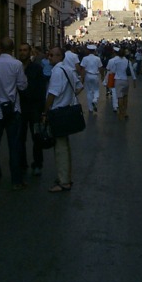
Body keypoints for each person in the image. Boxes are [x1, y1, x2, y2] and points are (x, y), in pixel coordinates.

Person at [0, 37, 28, 190]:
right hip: (13, 109)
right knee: (14, 146)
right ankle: (16, 180)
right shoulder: (17, 64)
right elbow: (22, 86)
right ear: (13, 48)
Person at [42, 47, 83, 193]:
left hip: (58, 112)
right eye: (50, 55)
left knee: (60, 148)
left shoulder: (57, 71)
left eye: (53, 55)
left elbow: (52, 94)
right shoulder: (69, 69)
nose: (50, 57)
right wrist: (69, 97)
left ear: (61, 56)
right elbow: (79, 86)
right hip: (67, 110)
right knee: (64, 145)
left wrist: (45, 111)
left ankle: (64, 181)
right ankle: (65, 176)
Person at [18, 43, 46, 175]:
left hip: (34, 108)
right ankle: (22, 163)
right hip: (20, 109)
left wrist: (42, 110)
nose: (22, 52)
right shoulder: (16, 67)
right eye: (21, 50)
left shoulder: (36, 68)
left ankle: (37, 163)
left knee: (37, 137)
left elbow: (41, 89)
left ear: (30, 52)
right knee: (20, 137)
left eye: (25, 50)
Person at [109, 46, 136, 120]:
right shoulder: (127, 61)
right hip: (125, 80)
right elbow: (132, 71)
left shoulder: (115, 61)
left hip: (118, 80)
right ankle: (125, 112)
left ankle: (120, 112)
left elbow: (113, 71)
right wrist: (134, 80)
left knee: (119, 97)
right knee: (125, 96)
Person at [80, 44, 104, 113]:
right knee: (96, 89)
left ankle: (90, 108)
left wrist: (82, 77)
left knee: (89, 91)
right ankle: (95, 99)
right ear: (94, 51)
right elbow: (100, 68)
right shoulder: (97, 58)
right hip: (95, 75)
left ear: (88, 50)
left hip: (88, 75)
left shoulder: (85, 58)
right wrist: (102, 75)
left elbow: (83, 68)